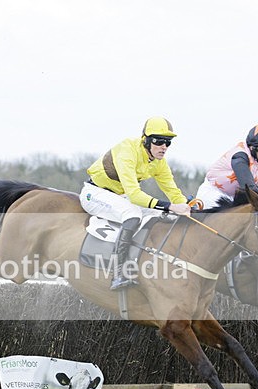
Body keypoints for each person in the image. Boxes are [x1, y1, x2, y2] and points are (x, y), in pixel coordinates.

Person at [80, 117, 191, 291]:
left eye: (168, 142)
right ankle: (117, 273)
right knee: (133, 215)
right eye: (159, 141)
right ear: (146, 140)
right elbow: (134, 195)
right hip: (94, 193)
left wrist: (188, 207)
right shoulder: (127, 150)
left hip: (119, 197)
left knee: (159, 216)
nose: (164, 146)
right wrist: (170, 206)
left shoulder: (159, 163)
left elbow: (174, 192)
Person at [194, 124, 258, 210]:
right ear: (251, 147)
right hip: (214, 194)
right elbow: (249, 188)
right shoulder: (239, 156)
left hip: (236, 197)